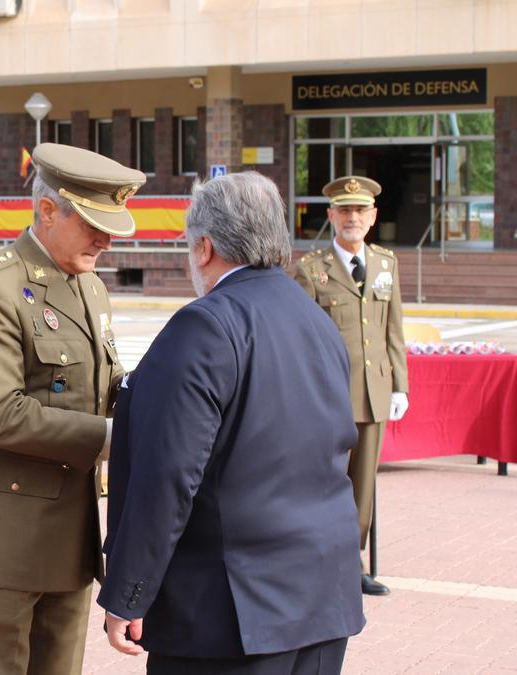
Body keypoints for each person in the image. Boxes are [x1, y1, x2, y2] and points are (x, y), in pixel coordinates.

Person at [99, 172, 365, 673]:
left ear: (203, 247)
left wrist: (129, 592)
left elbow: (169, 477)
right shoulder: (317, 322)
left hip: (232, 609)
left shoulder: (206, 325)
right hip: (320, 595)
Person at [0, 142, 141, 674]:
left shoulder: (91, 287)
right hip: (2, 541)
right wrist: (113, 437)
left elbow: (107, 382)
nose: (105, 240)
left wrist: (159, 403)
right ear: (48, 210)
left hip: (68, 534)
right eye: (93, 224)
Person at [293, 175, 410, 597]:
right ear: (331, 216)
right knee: (323, 482)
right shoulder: (311, 270)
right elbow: (302, 339)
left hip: (374, 393)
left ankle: (350, 564)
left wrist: (400, 386)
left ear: (373, 216)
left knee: (363, 489)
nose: (352, 218)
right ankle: (316, 559)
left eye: (360, 211)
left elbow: (393, 329)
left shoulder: (386, 264)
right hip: (328, 398)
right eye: (344, 211)